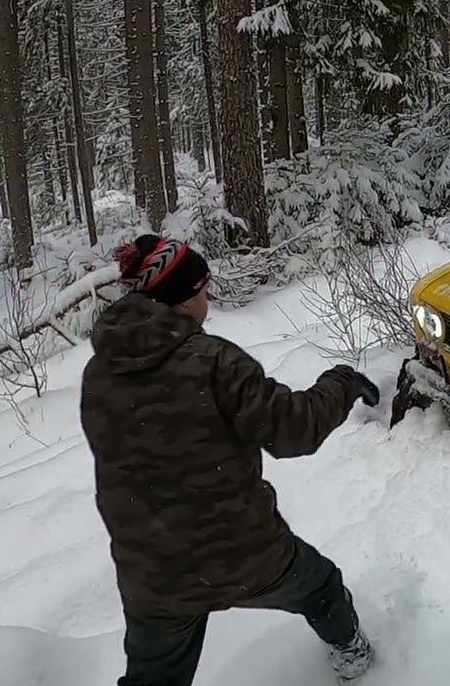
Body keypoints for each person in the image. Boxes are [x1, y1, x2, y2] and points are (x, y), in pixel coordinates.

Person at [81, 235, 382, 686]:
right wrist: (342, 381)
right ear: (183, 297)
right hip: (241, 553)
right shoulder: (212, 361)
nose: (208, 298)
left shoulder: (99, 372)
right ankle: (354, 658)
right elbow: (293, 430)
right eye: (204, 289)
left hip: (152, 572)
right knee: (320, 587)